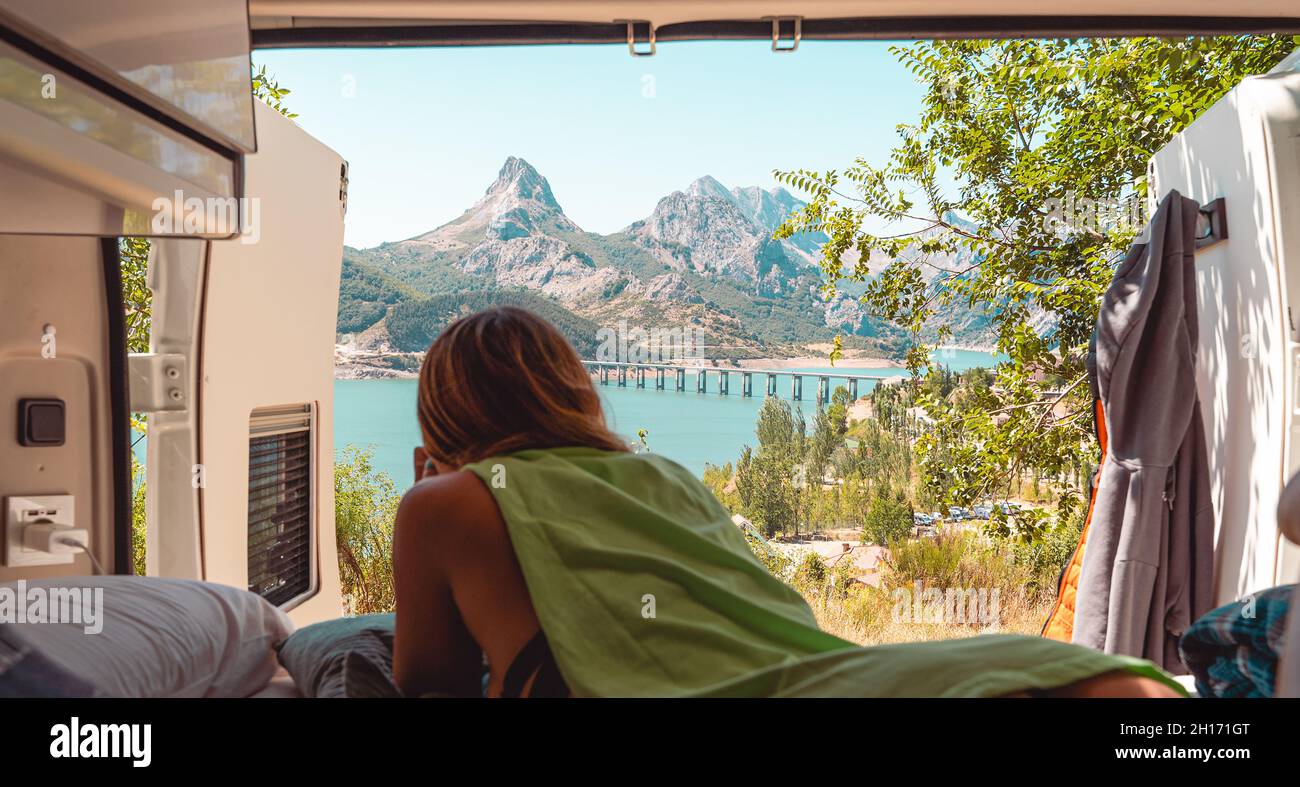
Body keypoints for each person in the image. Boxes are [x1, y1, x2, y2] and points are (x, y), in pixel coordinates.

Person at [391, 306, 1182, 698]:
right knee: (1093, 683)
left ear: (446, 411)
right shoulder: (660, 471)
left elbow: (427, 678)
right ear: (572, 389)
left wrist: (431, 484)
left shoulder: (443, 505)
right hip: (815, 671)